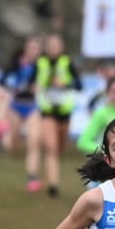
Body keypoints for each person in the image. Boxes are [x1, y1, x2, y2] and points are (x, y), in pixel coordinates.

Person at [0, 37, 43, 184]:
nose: (35, 52)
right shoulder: (16, 64)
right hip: (16, 106)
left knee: (34, 142)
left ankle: (32, 178)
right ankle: (7, 138)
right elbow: (2, 81)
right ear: (25, 49)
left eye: (37, 49)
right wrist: (15, 86)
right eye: (32, 48)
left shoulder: (40, 66)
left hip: (32, 106)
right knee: (14, 144)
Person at [35, 34, 82, 198]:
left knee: (60, 147)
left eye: (57, 45)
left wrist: (65, 84)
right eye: (51, 45)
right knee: (51, 147)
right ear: (46, 47)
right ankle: (53, 185)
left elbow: (79, 84)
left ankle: (52, 171)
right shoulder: (40, 63)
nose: (53, 48)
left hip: (64, 111)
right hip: (47, 110)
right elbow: (29, 82)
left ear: (61, 47)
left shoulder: (67, 63)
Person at [76, 74, 115, 155]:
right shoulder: (101, 114)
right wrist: (108, 152)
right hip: (105, 163)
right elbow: (83, 142)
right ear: (107, 93)